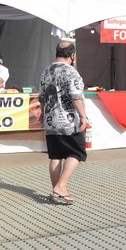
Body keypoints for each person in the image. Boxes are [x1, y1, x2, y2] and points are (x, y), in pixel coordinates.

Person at [39, 41, 87, 205]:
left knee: (56, 155)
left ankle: (56, 191)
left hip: (50, 119)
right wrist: (83, 116)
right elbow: (76, 96)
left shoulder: (46, 71)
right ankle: (61, 186)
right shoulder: (71, 72)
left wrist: (42, 114)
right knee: (77, 153)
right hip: (67, 120)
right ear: (72, 56)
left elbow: (42, 97)